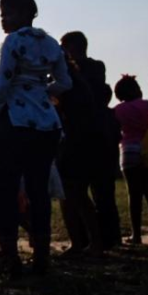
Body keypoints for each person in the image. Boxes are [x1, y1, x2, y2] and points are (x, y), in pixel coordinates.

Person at [0, 0, 72, 277]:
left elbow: (3, 82)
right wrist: (42, 91)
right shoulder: (51, 43)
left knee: (8, 189)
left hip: (15, 121)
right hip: (47, 124)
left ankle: (10, 257)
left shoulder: (13, 41)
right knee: (39, 191)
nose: (3, 20)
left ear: (24, 13)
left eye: (6, 13)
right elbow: (65, 82)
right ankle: (42, 256)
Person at [61, 31, 120, 248]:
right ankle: (97, 238)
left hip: (87, 136)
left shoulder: (86, 71)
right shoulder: (92, 72)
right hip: (95, 135)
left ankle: (103, 238)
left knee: (93, 191)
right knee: (95, 190)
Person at [113, 75, 148, 244]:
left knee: (133, 194)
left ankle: (136, 235)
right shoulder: (147, 105)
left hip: (128, 150)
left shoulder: (117, 110)